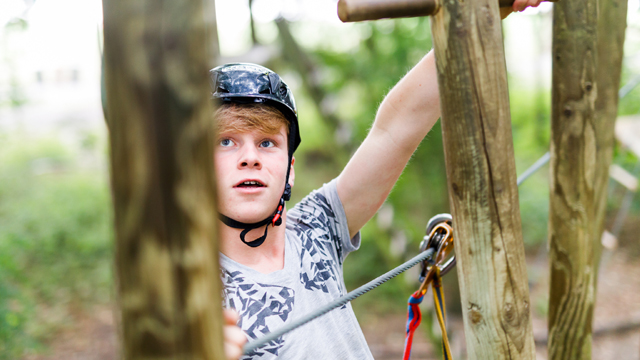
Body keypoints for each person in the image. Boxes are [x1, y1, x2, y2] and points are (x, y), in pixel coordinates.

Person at [217, 2, 542, 359]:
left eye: (267, 142)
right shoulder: (188, 295)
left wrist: (481, 10)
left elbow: (395, 130)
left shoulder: (316, 229)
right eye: (226, 142)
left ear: (290, 168)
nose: (250, 157)